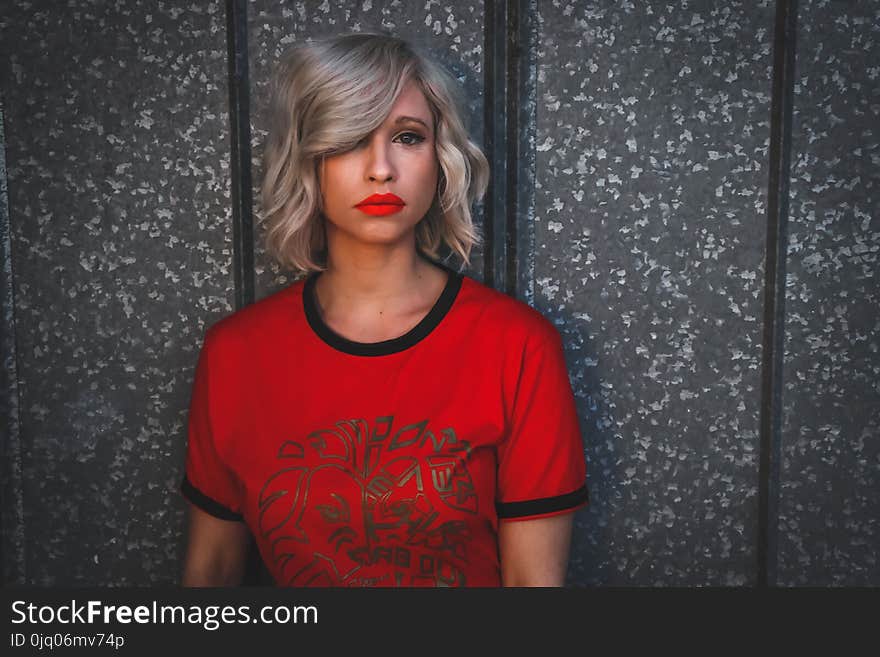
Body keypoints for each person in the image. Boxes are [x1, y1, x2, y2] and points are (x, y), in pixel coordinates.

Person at [180, 32, 588, 587]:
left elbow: (533, 586)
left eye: (407, 137)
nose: (380, 169)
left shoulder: (516, 346)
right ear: (307, 159)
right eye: (349, 140)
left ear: (441, 160)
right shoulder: (236, 353)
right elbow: (210, 574)